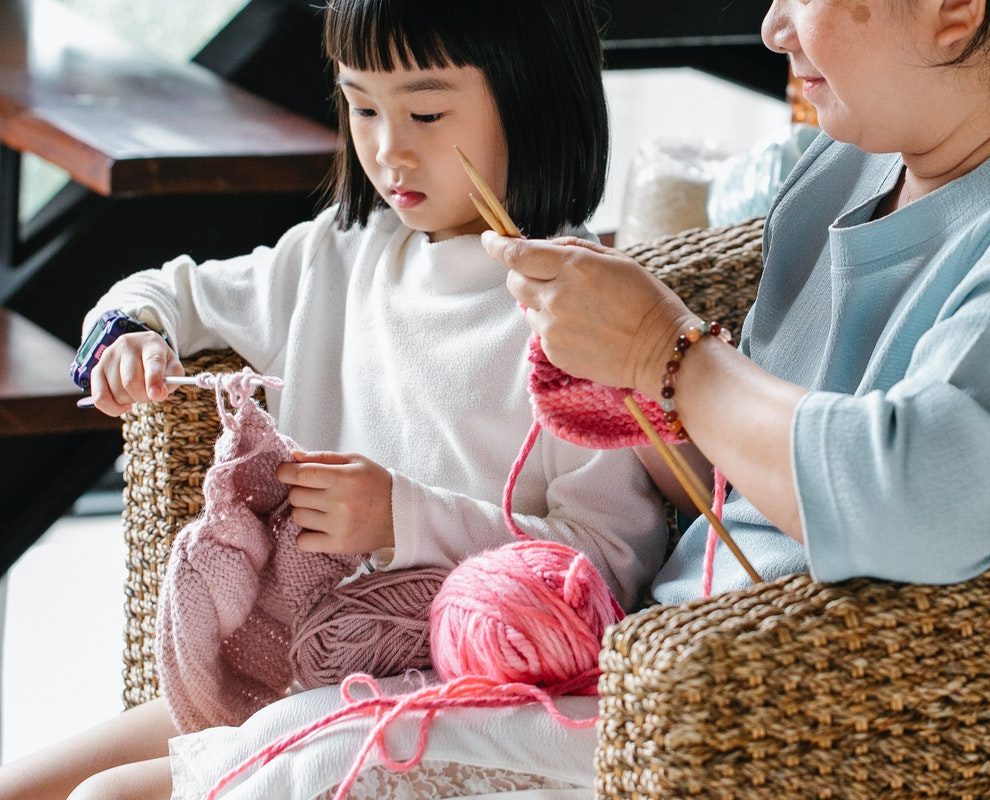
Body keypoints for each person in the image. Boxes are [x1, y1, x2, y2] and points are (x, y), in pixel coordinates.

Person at [0, 2, 667, 799]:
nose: (387, 149)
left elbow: (610, 567)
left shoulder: (583, 311)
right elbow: (164, 291)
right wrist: (129, 337)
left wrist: (402, 518)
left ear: (535, 97)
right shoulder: (336, 259)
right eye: (361, 106)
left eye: (425, 113)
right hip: (287, 668)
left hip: (446, 693)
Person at [485, 0, 990, 601]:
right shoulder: (845, 164)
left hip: (795, 647)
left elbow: (916, 505)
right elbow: (733, 492)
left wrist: (665, 350)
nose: (773, 30)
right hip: (669, 623)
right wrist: (635, 368)